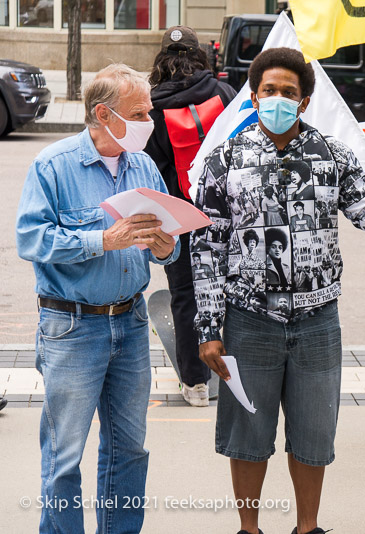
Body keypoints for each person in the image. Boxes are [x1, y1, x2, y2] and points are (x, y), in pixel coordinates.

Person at [191, 47, 365, 534]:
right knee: (248, 434)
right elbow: (206, 248)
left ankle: (308, 527)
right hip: (248, 320)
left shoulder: (332, 155)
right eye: (269, 91)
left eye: (289, 93)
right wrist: (207, 328)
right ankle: (250, 529)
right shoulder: (223, 161)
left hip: (318, 323)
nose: (278, 99)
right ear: (254, 97)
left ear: (303, 102)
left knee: (313, 435)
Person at [16, 64, 179, 533]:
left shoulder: (143, 165)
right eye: (141, 113)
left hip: (129, 323)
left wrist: (168, 248)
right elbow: (31, 239)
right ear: (103, 115)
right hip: (72, 328)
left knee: (129, 449)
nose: (151, 121)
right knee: (65, 454)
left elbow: (165, 240)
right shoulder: (54, 165)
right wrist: (100, 241)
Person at [144, 25, 237, 407]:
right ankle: (230, 368)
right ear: (201, 55)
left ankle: (195, 384)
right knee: (230, 289)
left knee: (184, 296)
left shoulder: (152, 105)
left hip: (179, 213)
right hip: (225, 210)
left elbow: (150, 165)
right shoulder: (223, 93)